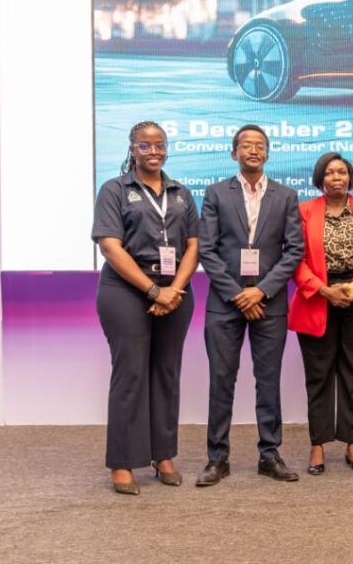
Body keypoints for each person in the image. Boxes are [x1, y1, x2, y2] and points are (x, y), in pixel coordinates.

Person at [92, 121, 199, 495]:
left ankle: (162, 454)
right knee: (131, 375)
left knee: (166, 373)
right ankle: (122, 462)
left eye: (160, 145)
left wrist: (174, 290)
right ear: (132, 149)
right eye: (145, 145)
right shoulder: (114, 190)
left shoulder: (181, 193)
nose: (154, 151)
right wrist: (154, 291)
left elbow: (193, 246)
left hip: (175, 291)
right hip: (126, 290)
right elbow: (110, 246)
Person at [196, 124, 304, 486]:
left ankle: (269, 455)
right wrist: (237, 294)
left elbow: (294, 251)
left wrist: (261, 291)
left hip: (269, 304)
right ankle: (217, 458)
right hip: (225, 303)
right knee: (221, 380)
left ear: (268, 153)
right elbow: (207, 250)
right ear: (234, 153)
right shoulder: (215, 193)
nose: (253, 150)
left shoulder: (286, 196)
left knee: (268, 381)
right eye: (246, 145)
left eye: (260, 145)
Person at [288, 152, 353, 475]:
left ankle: (351, 442)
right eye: (330, 172)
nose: (336, 177)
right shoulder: (305, 211)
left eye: (342, 172)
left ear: (350, 177)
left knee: (352, 375)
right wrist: (324, 290)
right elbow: (295, 259)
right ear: (320, 178)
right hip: (317, 298)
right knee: (318, 376)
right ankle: (317, 445)